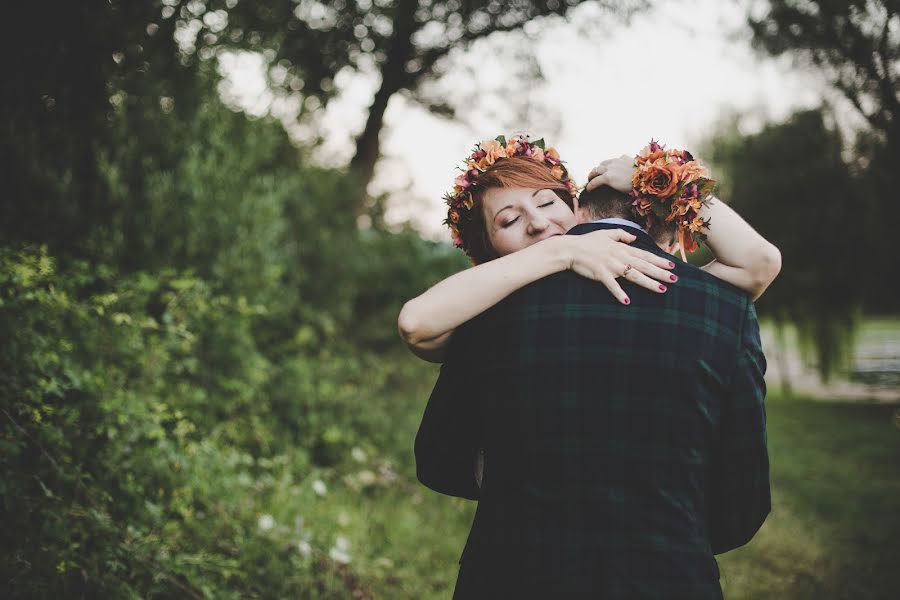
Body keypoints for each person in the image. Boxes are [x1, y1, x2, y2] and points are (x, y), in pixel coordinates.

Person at [405, 135, 778, 598]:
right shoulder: (719, 307)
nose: (540, 224)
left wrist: (652, 181)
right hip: (671, 577)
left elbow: (442, 460)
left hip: (510, 577)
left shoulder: (487, 320)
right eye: (510, 219)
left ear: (578, 206)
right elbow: (743, 498)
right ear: (488, 247)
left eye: (546, 202)